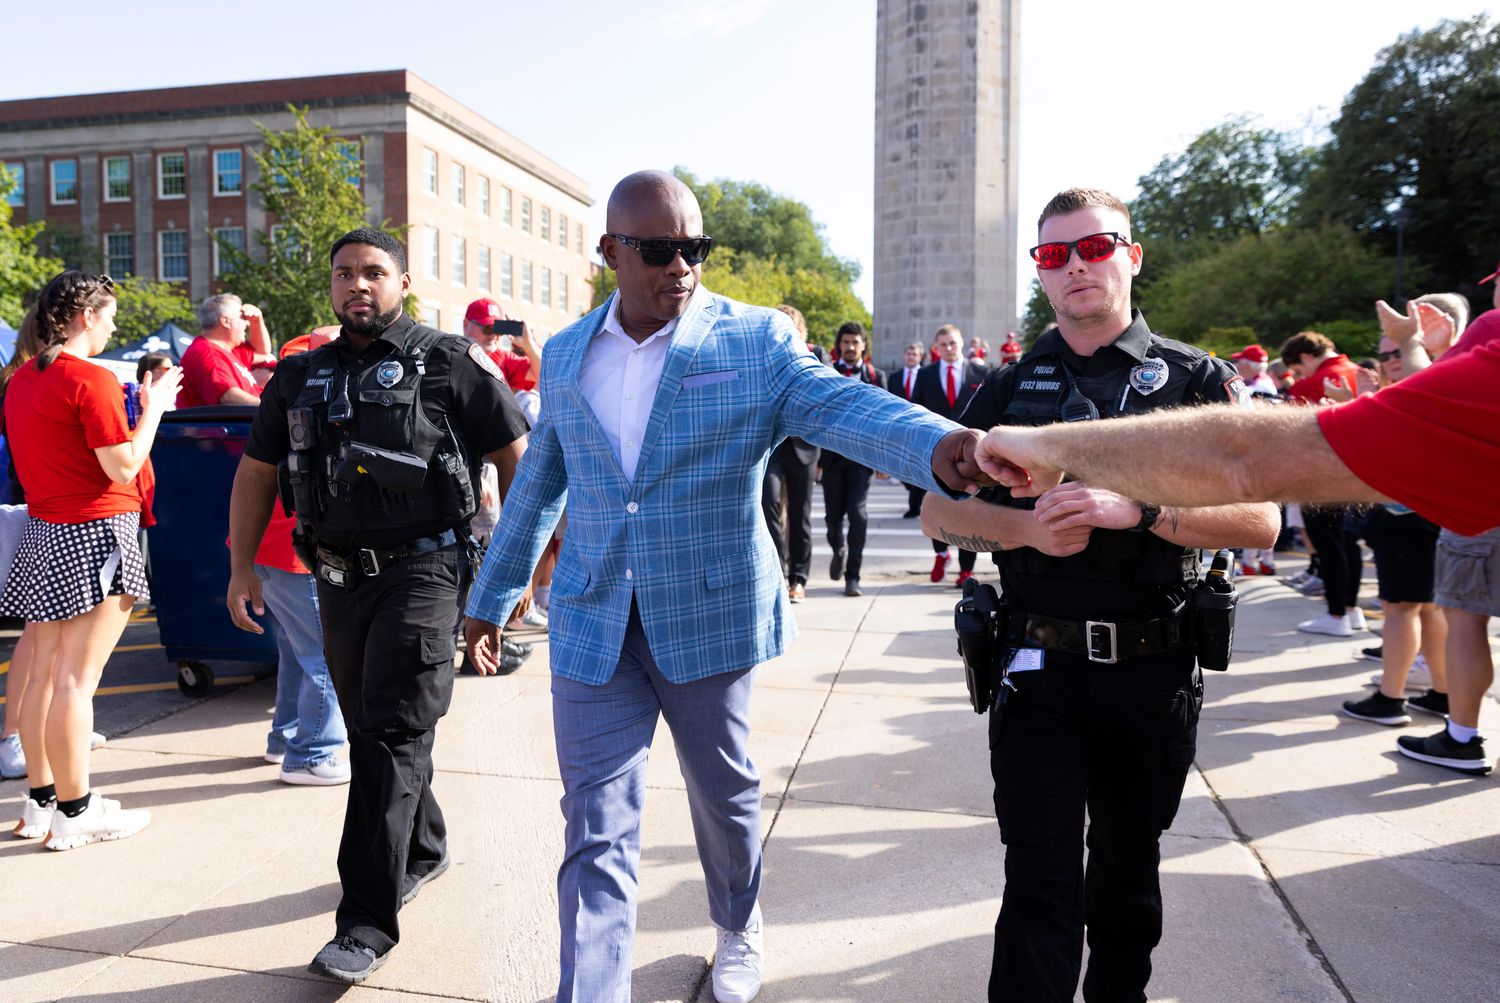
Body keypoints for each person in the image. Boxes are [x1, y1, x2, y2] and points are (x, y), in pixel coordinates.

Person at [461, 170, 983, 1003]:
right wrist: (491, 596)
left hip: (708, 610)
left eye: (694, 249)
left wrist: (944, 447)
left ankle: (739, 924)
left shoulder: (753, 340)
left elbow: (841, 407)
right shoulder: (563, 355)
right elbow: (539, 484)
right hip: (596, 616)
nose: (682, 267)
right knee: (594, 826)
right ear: (609, 252)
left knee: (725, 795)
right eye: (661, 249)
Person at [920, 187, 1280, 1002]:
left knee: (1126, 876)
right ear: (1041, 275)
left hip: (1150, 672)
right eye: (1054, 255)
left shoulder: (1194, 379)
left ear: (1132, 255)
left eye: (1094, 247)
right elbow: (937, 513)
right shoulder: (1009, 388)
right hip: (1037, 668)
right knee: (1039, 881)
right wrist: (1024, 533)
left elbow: (1260, 521)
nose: (1076, 266)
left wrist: (1142, 512)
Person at [224, 227, 530, 983]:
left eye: (372, 272)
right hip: (334, 577)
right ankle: (423, 845)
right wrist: (240, 564)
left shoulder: (447, 361)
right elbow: (258, 472)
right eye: (344, 274)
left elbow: (516, 456)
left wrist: (518, 568)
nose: (357, 284)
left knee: (388, 734)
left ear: (401, 281)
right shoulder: (299, 374)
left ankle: (364, 920)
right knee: (376, 726)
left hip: (426, 572)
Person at [1, 271, 182, 850]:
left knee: (43, 678)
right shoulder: (90, 380)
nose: (111, 327)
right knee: (76, 683)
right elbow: (123, 467)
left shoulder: (21, 381)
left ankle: (44, 802)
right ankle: (77, 812)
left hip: (45, 531)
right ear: (84, 317)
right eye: (107, 317)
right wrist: (153, 409)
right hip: (96, 530)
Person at [242, 335, 349, 786]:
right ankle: (311, 753)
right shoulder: (323, 405)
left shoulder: (283, 403)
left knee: (295, 651)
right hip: (294, 555)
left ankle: (285, 738)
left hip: (267, 554)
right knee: (327, 656)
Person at [911, 324, 989, 586]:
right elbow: (917, 412)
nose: (948, 348)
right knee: (936, 505)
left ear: (961, 343)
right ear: (936, 347)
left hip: (971, 452)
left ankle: (966, 569)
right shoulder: (926, 375)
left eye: (953, 343)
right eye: (943, 344)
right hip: (936, 450)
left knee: (968, 510)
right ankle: (941, 554)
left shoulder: (980, 372)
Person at [822, 320, 887, 597]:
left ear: (863, 346)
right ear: (839, 346)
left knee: (858, 515)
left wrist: (883, 460)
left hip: (862, 457)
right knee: (833, 518)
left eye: (855, 342)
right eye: (845, 342)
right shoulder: (826, 372)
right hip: (832, 458)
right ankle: (838, 550)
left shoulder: (876, 376)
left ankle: (853, 576)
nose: (850, 347)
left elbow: (886, 417)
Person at [761, 305, 820, 602]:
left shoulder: (813, 359)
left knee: (800, 513)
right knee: (769, 503)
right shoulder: (761, 358)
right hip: (770, 448)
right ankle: (777, 573)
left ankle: (799, 577)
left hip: (803, 448)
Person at [178, 294, 263, 407]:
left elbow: (262, 353)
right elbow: (228, 397)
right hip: (226, 424)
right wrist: (272, 408)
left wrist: (257, 322)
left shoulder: (228, 350)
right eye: (242, 318)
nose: (247, 323)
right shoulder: (208, 353)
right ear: (226, 321)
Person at [463, 296, 540, 391]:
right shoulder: (451, 354)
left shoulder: (504, 359)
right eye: (488, 329)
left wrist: (529, 345)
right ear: (466, 325)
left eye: (498, 329)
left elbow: (543, 373)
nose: (494, 335)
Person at [890, 340, 927, 518]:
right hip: (901, 428)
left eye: (915, 354)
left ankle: (915, 506)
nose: (911, 357)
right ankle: (914, 492)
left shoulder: (928, 375)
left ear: (920, 357)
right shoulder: (895, 377)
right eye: (908, 354)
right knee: (903, 468)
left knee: (917, 466)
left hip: (921, 428)